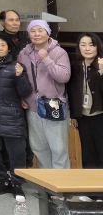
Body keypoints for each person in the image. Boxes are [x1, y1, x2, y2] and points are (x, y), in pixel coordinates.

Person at [0, 35, 32, 196]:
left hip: (13, 117)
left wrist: (20, 76)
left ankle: (17, 183)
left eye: (3, 45)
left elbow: (25, 92)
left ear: (9, 49)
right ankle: (2, 181)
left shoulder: (17, 66)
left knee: (17, 154)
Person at [17, 20, 71, 169]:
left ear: (48, 33)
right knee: (39, 148)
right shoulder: (23, 53)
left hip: (54, 106)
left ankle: (61, 183)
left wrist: (46, 59)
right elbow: (21, 78)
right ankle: (47, 182)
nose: (37, 34)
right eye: (33, 31)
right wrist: (22, 97)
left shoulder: (59, 52)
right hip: (33, 107)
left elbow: (64, 77)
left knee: (59, 149)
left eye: (40, 30)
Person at [68, 33, 103, 168]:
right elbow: (72, 92)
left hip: (100, 115)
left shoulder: (101, 65)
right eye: (83, 45)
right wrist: (74, 115)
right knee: (88, 154)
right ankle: (90, 181)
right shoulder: (75, 67)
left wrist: (102, 72)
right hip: (83, 117)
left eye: (91, 45)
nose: (87, 48)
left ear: (97, 47)